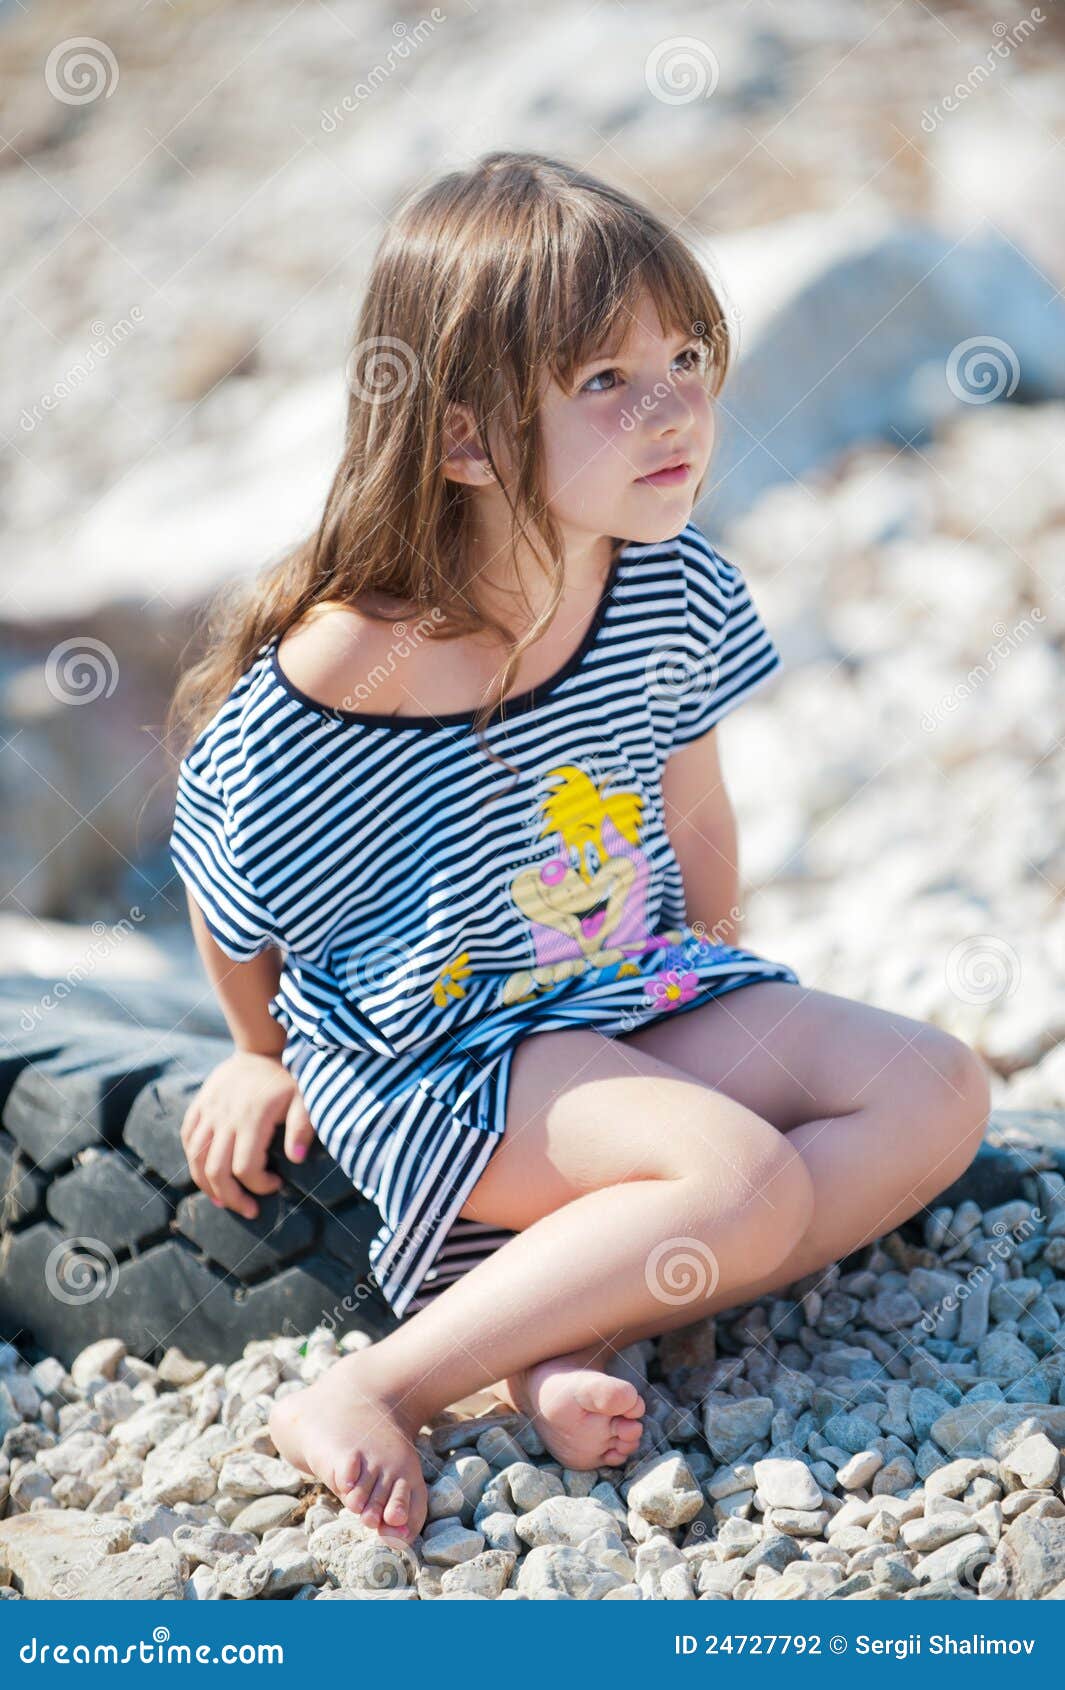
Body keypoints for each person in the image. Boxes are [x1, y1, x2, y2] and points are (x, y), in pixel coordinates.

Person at [166, 151, 990, 1546]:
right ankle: (379, 1383)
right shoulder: (354, 665)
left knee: (937, 1088)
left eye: (685, 356)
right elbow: (226, 878)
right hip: (447, 1047)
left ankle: (567, 1317)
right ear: (465, 438)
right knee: (740, 1174)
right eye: (605, 382)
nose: (675, 406)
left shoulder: (656, 573)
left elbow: (694, 811)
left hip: (629, 987)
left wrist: (727, 987)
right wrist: (257, 1051)